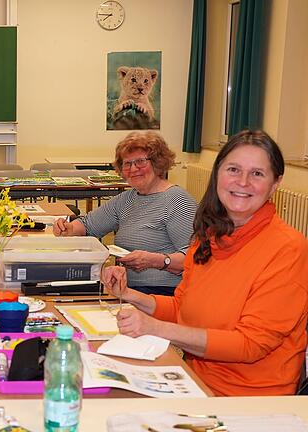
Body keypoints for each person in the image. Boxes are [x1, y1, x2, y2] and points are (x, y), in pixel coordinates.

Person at [101, 130, 308, 396]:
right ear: (218, 174)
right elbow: (183, 308)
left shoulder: (288, 249)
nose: (242, 182)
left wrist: (156, 328)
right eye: (233, 169)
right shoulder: (208, 237)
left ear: (275, 184)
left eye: (257, 173)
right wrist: (129, 295)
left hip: (248, 398)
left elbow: (250, 345)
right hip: (192, 379)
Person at [54, 131, 196, 296]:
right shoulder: (128, 198)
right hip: (129, 290)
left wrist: (156, 261)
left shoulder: (178, 201)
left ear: (158, 163)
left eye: (140, 162)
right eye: (127, 164)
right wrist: (69, 228)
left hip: (166, 294)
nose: (133, 169)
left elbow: (194, 259)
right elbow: (89, 225)